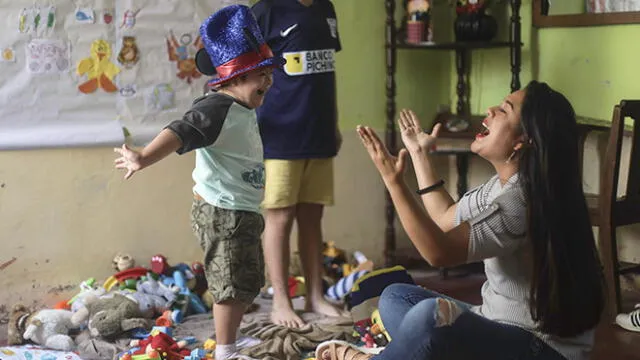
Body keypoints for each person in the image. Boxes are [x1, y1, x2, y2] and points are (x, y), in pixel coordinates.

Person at [315, 81, 605, 360]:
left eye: (504, 110)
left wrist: (394, 183)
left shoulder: (521, 201)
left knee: (428, 318)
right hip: (496, 325)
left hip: (537, 349)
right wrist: (418, 154)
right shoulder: (505, 185)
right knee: (395, 297)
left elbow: (438, 253)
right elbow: (445, 220)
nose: (490, 111)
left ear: (523, 140)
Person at [113, 5, 284, 360]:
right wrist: (143, 157)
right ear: (235, 78)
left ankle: (231, 340)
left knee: (246, 281)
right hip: (224, 213)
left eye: (269, 73)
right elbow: (181, 129)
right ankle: (225, 351)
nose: (268, 81)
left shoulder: (242, 109)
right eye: (260, 75)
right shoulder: (216, 107)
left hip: (243, 210)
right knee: (229, 285)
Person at [251, 0, 346, 328]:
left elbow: (327, 75)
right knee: (279, 217)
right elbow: (245, 72)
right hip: (279, 135)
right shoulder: (266, 11)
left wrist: (333, 124)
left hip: (318, 133)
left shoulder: (326, 9)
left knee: (312, 216)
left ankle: (315, 296)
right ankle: (280, 301)